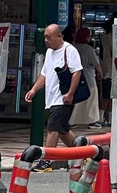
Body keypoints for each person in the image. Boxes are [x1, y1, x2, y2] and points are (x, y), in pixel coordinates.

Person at [23, 24, 82, 171]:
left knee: (53, 127)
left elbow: (77, 72)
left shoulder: (69, 50)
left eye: (49, 37)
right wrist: (34, 89)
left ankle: (46, 161)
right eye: (45, 38)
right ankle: (83, 154)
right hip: (52, 99)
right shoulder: (49, 52)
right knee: (62, 130)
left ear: (59, 36)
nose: (46, 41)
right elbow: (44, 74)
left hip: (62, 98)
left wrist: (70, 94)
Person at [71, 27, 104, 129]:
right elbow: (96, 63)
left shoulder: (73, 47)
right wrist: (100, 73)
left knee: (77, 101)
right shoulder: (89, 49)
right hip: (89, 78)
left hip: (74, 77)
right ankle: (92, 121)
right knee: (92, 100)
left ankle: (73, 120)